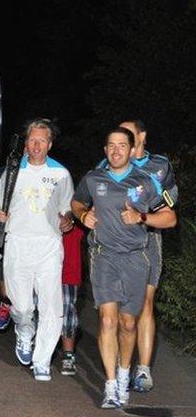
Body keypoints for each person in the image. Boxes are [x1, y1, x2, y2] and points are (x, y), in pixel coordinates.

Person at [72, 126, 176, 409]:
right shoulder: (94, 178)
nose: (116, 150)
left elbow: (170, 217)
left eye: (122, 145)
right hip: (104, 256)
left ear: (132, 150)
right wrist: (83, 214)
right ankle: (110, 385)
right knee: (107, 320)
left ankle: (124, 372)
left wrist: (142, 217)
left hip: (135, 258)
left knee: (128, 323)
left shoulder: (148, 182)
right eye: (111, 145)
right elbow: (77, 200)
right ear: (105, 150)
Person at [0, 118, 74, 381]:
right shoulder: (13, 171)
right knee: (23, 307)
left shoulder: (61, 174)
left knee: (51, 306)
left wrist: (67, 220)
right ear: (25, 143)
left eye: (41, 140)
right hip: (18, 243)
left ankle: (42, 360)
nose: (36, 145)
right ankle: (24, 332)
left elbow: (68, 212)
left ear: (49, 144)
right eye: (32, 140)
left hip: (49, 246)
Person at [116, 119, 177, 393]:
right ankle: (122, 366)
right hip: (118, 244)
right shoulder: (109, 163)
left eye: (128, 133)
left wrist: (143, 212)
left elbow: (170, 203)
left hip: (149, 238)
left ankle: (143, 370)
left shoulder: (160, 165)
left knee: (146, 302)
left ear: (142, 135)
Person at [60, 225, 85, 376]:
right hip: (41, 262)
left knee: (67, 311)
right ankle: (39, 348)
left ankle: (68, 355)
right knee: (39, 307)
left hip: (69, 267)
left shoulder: (76, 205)